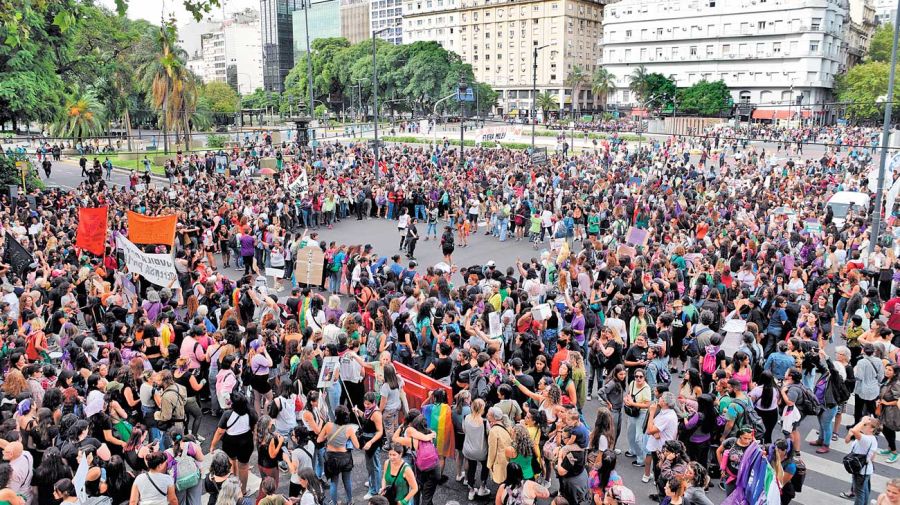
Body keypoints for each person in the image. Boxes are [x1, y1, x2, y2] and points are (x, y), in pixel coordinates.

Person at [208, 392, 258, 496]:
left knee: (231, 461)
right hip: (246, 442)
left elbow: (220, 432)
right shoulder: (251, 412)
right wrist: (254, 440)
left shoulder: (227, 414)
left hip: (230, 442)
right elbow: (254, 429)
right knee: (244, 467)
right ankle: (243, 490)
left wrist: (213, 445)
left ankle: (234, 484)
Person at [317, 405, 360, 505]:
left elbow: (319, 440)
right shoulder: (349, 429)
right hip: (345, 458)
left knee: (334, 482)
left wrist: (328, 435)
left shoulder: (328, 425)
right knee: (347, 480)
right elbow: (357, 445)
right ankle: (350, 501)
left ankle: (334, 502)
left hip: (331, 458)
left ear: (335, 416)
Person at [840, 416, 881, 505]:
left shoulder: (866, 439)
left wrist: (862, 421)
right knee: (864, 491)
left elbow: (855, 430)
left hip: (861, 471)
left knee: (859, 493)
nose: (862, 425)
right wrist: (850, 434)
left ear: (872, 429)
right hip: (865, 469)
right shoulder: (866, 437)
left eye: (865, 424)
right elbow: (847, 440)